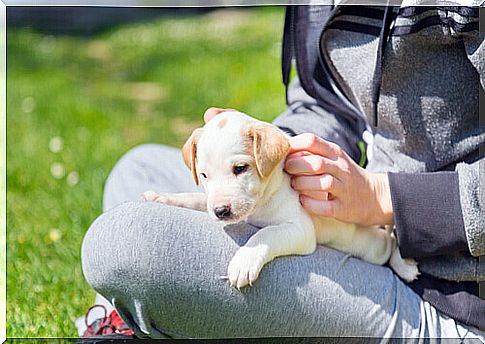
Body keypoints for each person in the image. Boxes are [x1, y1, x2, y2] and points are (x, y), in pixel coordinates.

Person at [80, 2, 485, 340]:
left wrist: (382, 198)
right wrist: (275, 151)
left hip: (448, 296)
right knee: (139, 169)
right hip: (343, 236)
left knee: (126, 244)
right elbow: (327, 103)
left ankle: (141, 318)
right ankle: (140, 316)